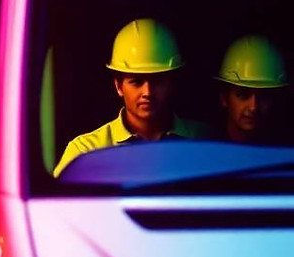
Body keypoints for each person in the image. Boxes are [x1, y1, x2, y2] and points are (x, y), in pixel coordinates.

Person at [53, 18, 209, 177]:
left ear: (173, 83)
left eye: (158, 81)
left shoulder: (207, 140)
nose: (147, 92)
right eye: (136, 82)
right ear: (119, 86)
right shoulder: (85, 151)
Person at [215, 35, 289, 144]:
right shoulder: (204, 152)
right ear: (224, 98)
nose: (254, 107)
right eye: (243, 95)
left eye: (264, 96)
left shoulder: (283, 153)